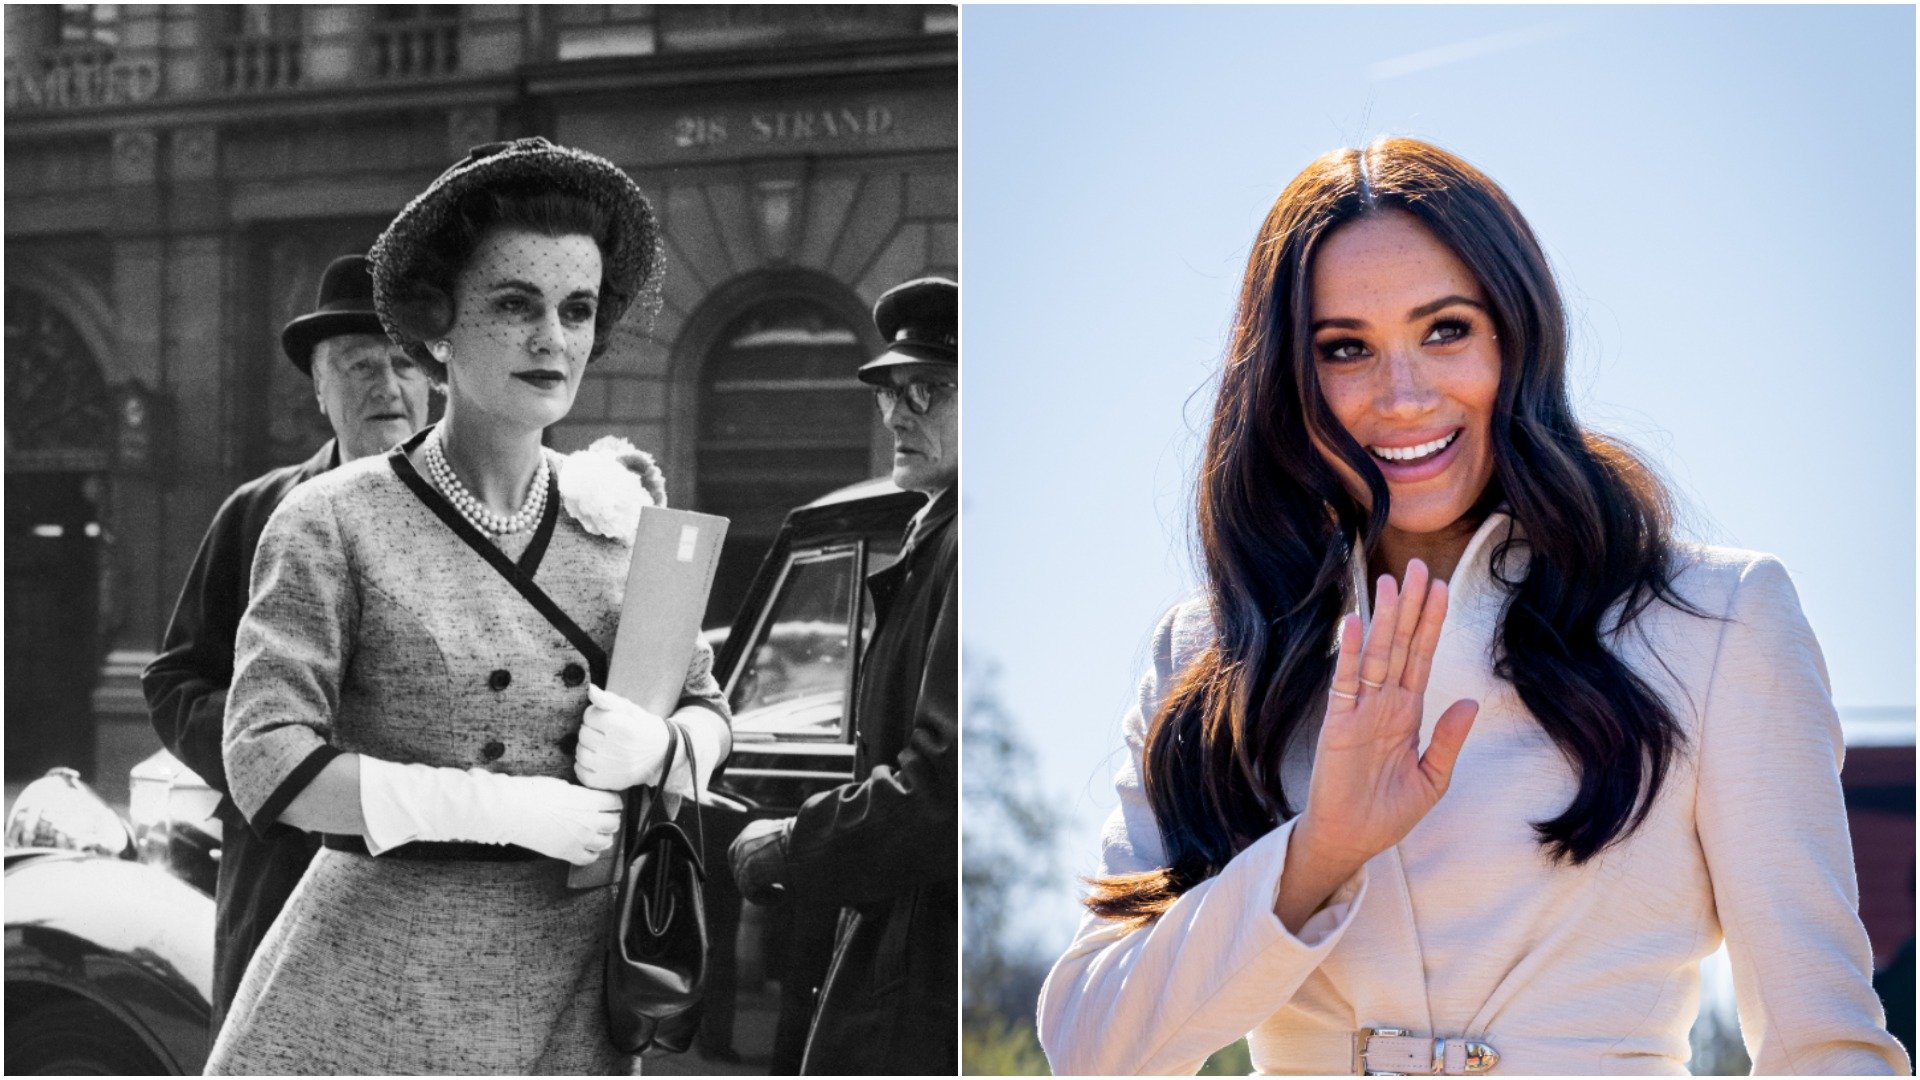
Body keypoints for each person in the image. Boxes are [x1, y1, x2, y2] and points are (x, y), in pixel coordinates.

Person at [1036, 139, 1909, 1076]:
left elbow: (1827, 1049)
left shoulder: (1720, 621)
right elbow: (1093, 1051)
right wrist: (1319, 853)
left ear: (1516, 338)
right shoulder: (1210, 657)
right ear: (1288, 380)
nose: (1402, 396)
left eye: (1445, 329)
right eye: (1345, 349)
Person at [204, 137, 731, 1075]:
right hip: (378, 985)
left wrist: (670, 748)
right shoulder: (335, 518)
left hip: (573, 992)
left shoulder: (624, 515)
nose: (552, 340)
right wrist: (493, 808)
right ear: (436, 323)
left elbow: (709, 706)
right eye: (514, 304)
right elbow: (264, 758)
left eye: (576, 310)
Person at [141, 253, 431, 1032]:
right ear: (319, 386)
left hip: (427, 887)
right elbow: (174, 680)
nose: (387, 385)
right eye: (359, 364)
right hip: (283, 874)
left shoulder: (474, 518)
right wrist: (270, 765)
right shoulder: (257, 512)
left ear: (436, 379)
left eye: (403, 361)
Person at [729, 277, 959, 1074]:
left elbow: (940, 788)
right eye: (891, 391)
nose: (898, 414)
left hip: (925, 969)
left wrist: (794, 840)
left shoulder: (966, 543)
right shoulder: (939, 533)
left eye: (928, 391)